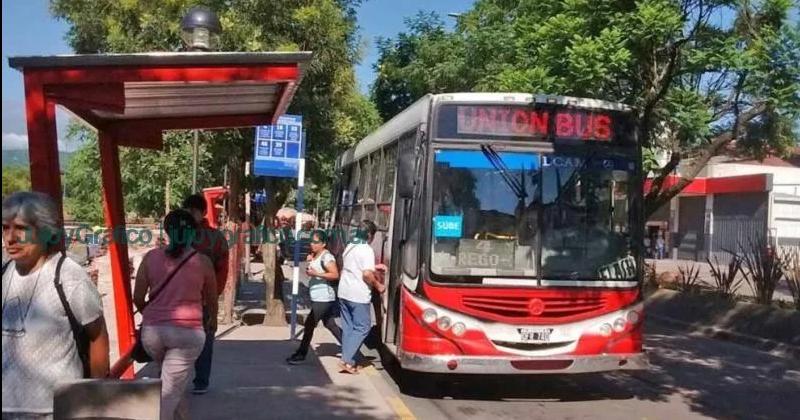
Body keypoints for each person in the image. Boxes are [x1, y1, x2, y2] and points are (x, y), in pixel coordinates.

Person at [2, 192, 109, 418]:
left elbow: (97, 335)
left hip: (54, 410)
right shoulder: (4, 274)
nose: (10, 238)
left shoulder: (68, 277)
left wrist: (95, 397)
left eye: (20, 228)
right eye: (4, 228)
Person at [134, 209, 217, 420]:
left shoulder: (150, 257)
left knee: (171, 381)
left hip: (153, 333)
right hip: (188, 334)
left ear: (167, 231)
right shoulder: (203, 262)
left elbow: (137, 297)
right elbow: (212, 298)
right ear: (193, 233)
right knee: (169, 392)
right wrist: (212, 321)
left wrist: (151, 314)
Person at [181, 194, 229, 395]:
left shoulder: (215, 238)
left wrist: (214, 295)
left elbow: (222, 269)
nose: (190, 214)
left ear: (203, 213)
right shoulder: (180, 234)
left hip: (203, 299)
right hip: (180, 298)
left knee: (205, 340)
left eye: (194, 211)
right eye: (188, 210)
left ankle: (201, 380)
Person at [286, 230, 342, 364]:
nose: (312, 244)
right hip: (318, 296)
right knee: (330, 325)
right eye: (311, 241)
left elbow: (335, 274)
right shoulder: (315, 256)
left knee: (309, 324)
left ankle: (301, 354)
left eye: (316, 242)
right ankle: (350, 348)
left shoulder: (327, 257)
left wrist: (317, 274)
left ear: (323, 244)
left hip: (324, 297)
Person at [337, 220, 385, 374]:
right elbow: (366, 274)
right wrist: (379, 286)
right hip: (358, 295)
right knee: (363, 327)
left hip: (344, 292)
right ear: (369, 235)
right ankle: (346, 359)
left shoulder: (350, 246)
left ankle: (349, 362)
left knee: (349, 327)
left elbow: (354, 266)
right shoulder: (366, 249)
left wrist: (374, 267)